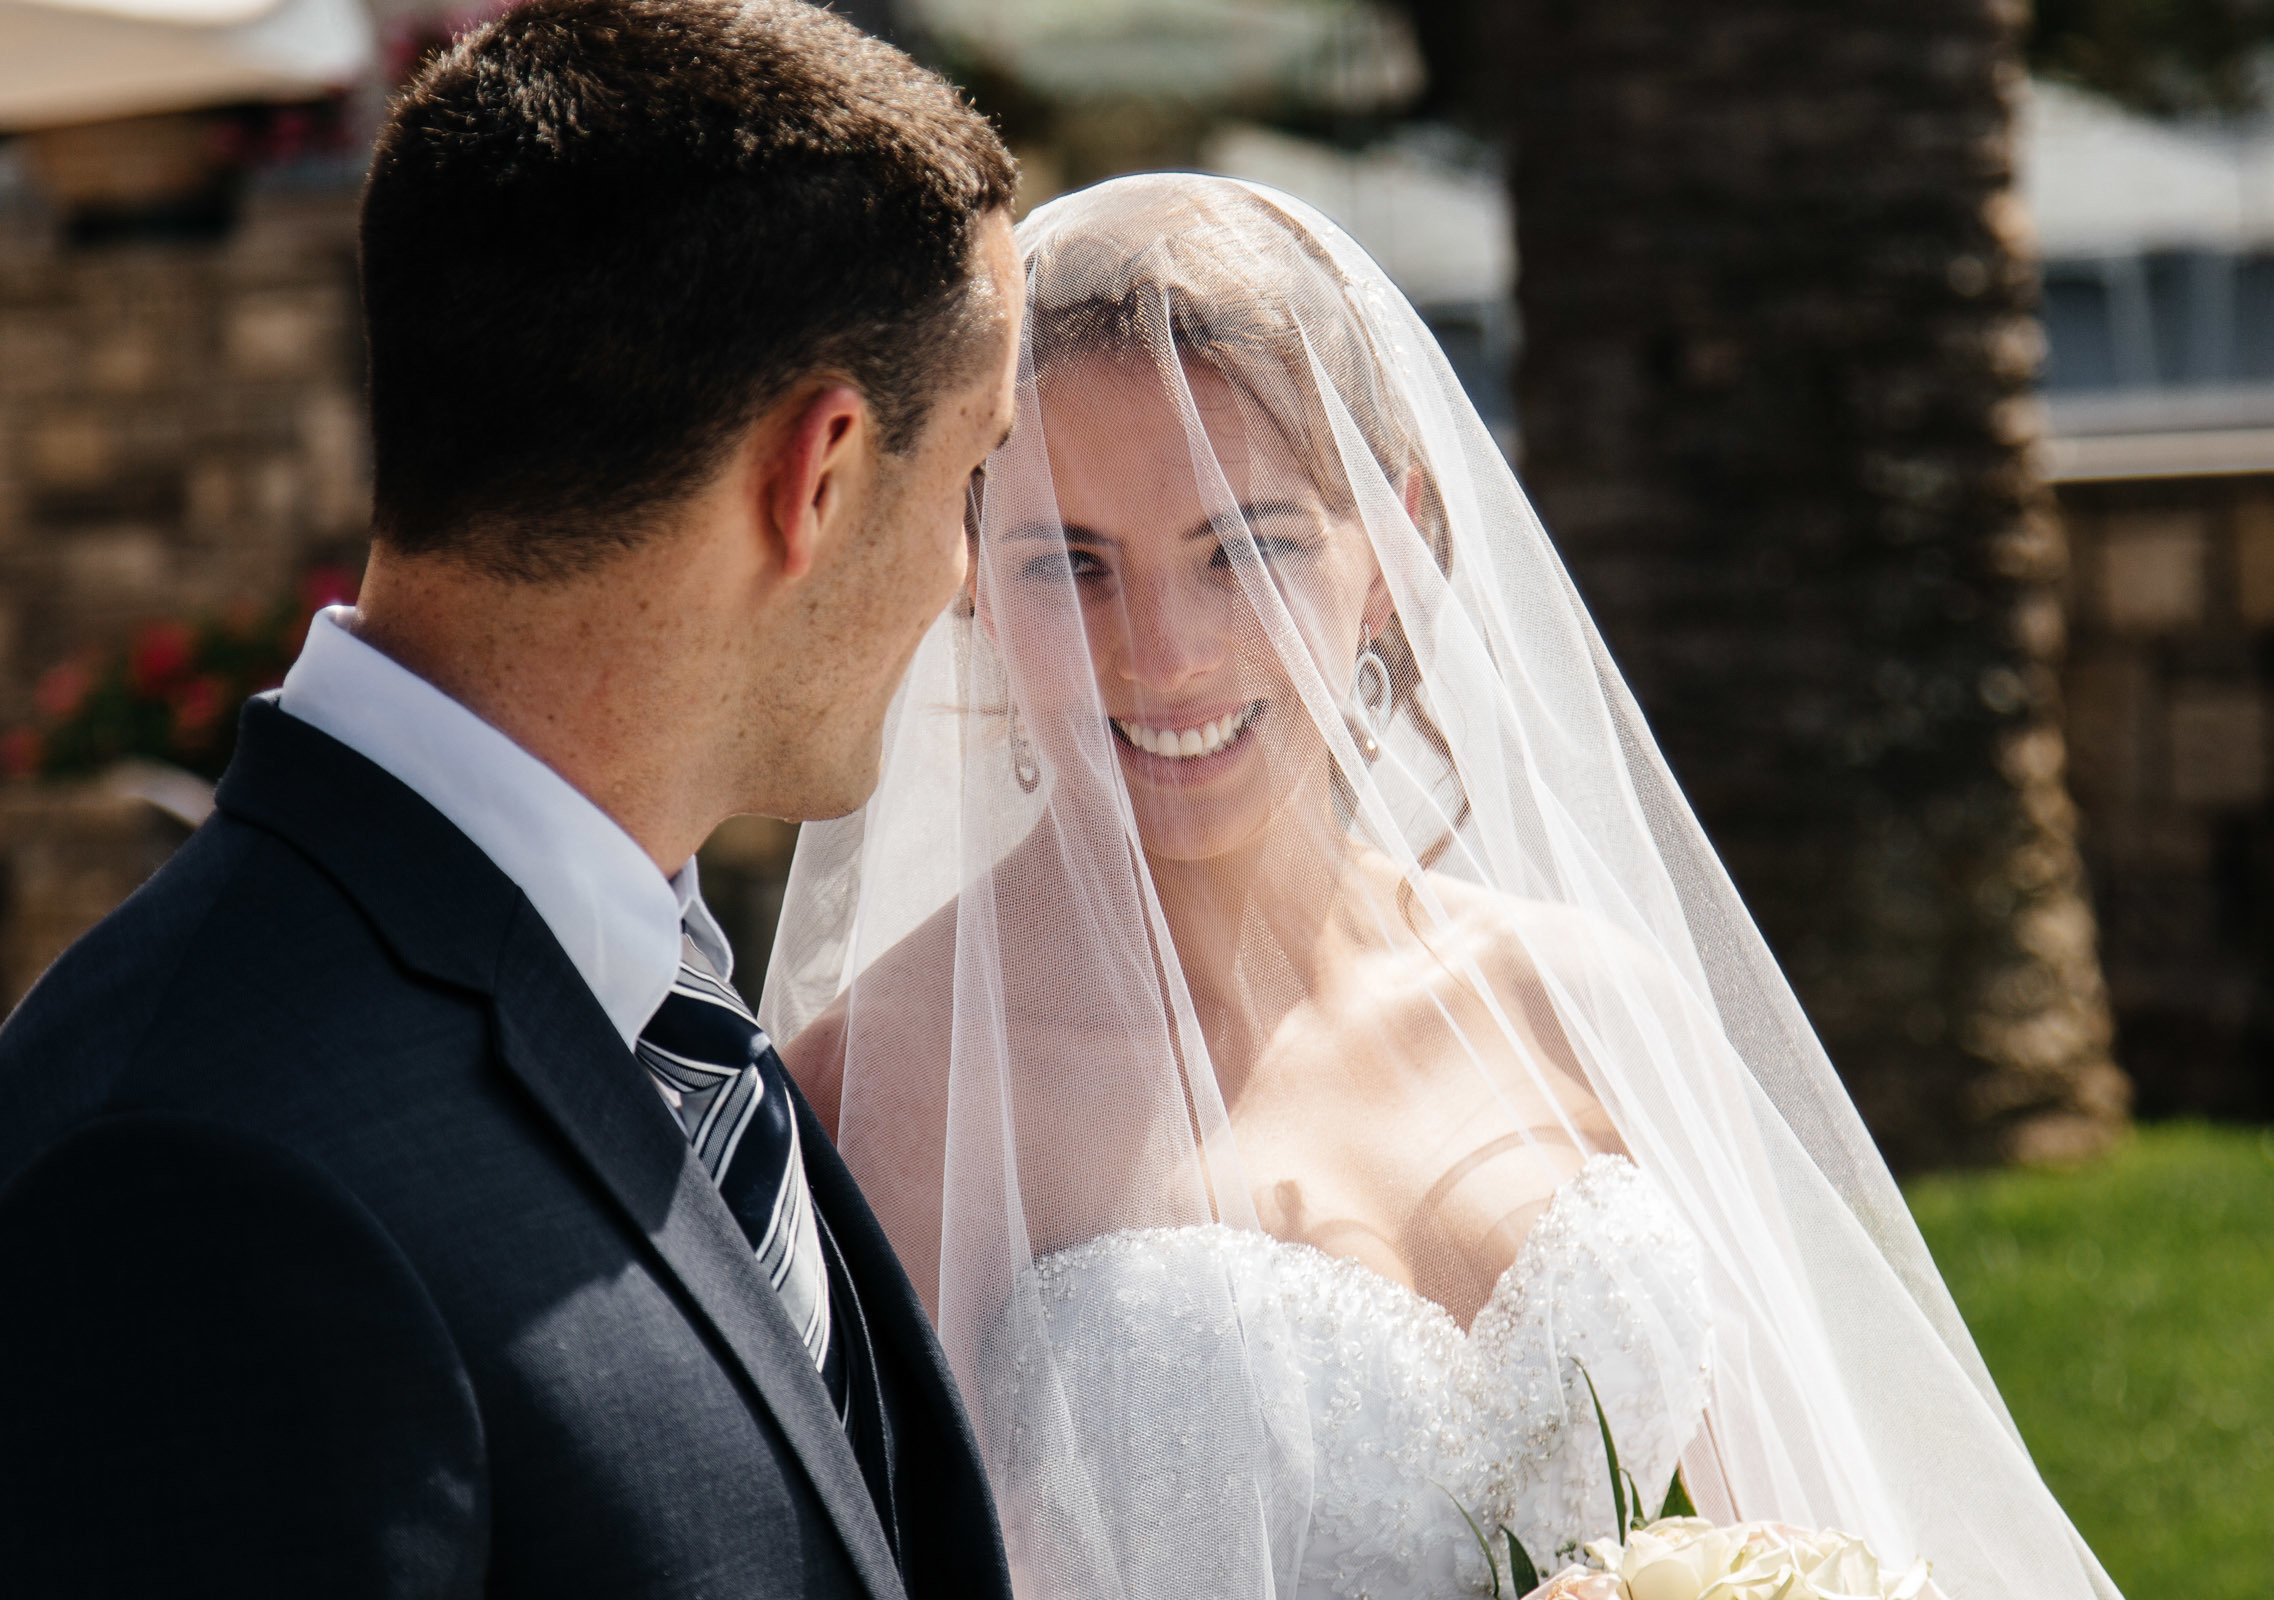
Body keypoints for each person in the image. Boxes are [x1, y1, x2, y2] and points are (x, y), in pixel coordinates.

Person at [764, 174, 2122, 1600]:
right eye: (1070, 566)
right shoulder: (880, 1100)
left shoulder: (1585, 1003)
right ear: (976, 575)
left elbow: (1801, 1528)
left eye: (1245, 548)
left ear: (1389, 543)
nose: (1160, 655)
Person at [0, 2, 1022, 1594]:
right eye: (972, 476)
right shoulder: (192, 1173)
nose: (971, 580)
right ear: (814, 477)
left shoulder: (656, 1012)